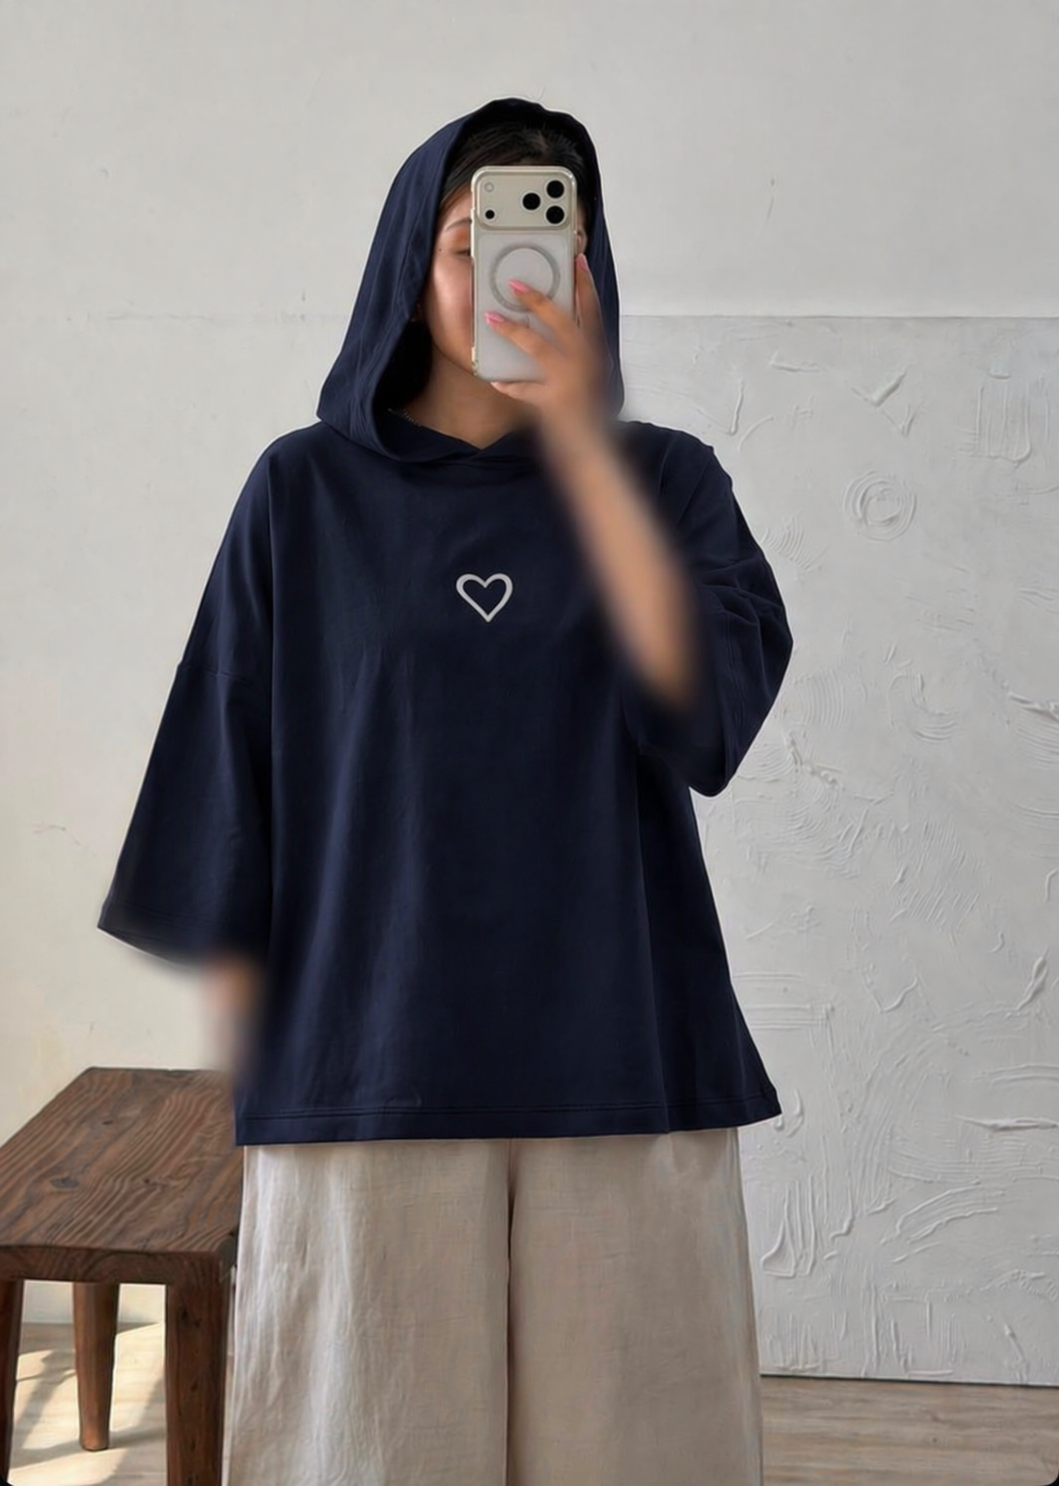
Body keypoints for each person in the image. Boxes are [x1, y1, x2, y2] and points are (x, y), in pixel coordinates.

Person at [97, 95, 794, 1486]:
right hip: (367, 1069)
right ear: (412, 260)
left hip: (623, 1060)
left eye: (555, 239)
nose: (514, 272)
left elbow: (703, 719)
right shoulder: (302, 495)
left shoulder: (666, 482)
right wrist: (269, 1077)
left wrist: (581, 443)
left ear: (593, 268)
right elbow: (225, 772)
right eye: (476, 239)